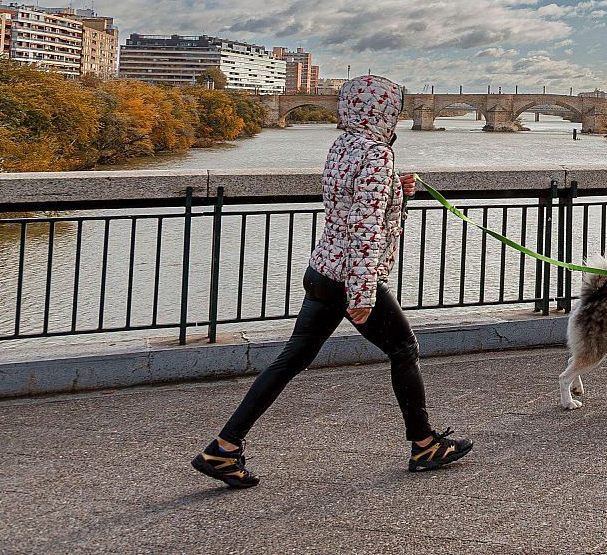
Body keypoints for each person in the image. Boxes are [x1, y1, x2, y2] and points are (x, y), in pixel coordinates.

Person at [192, 75, 471, 488]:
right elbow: (365, 225)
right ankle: (424, 443)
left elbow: (351, 200)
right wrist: (361, 293)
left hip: (322, 270)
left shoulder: (342, 146)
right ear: (387, 111)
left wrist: (397, 187)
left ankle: (224, 448)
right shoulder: (378, 155)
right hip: (351, 278)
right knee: (404, 349)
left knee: (290, 361)